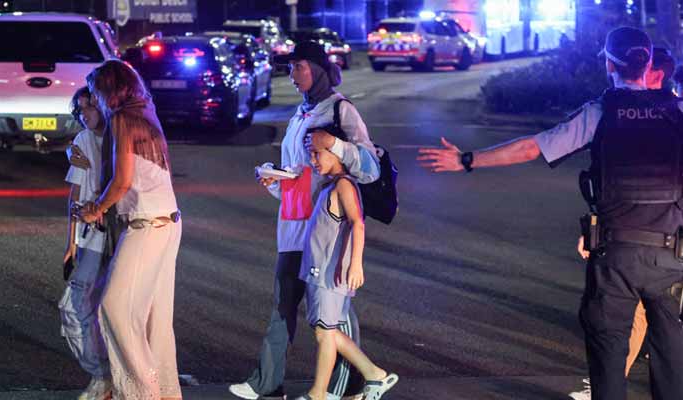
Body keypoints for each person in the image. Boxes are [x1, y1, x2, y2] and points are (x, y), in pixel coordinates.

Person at [417, 27, 683, 400]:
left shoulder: (600, 113)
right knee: (671, 356)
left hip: (615, 257)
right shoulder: (677, 113)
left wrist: (467, 160)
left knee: (608, 355)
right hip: (670, 256)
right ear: (650, 63)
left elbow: (532, 148)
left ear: (609, 64)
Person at [229, 41, 380, 400]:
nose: (291, 74)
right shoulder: (300, 114)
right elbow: (298, 175)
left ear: (317, 68)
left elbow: (370, 167)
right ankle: (267, 384)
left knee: (332, 313)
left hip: (325, 229)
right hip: (292, 225)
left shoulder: (341, 110)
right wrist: (273, 182)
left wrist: (336, 145)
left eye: (297, 66)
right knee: (285, 304)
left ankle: (351, 385)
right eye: (289, 67)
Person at [567, 45, 677, 400]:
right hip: (658, 251)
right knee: (657, 340)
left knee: (624, 333)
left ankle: (608, 383)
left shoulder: (651, 115)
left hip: (640, 251)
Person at [81, 60, 183, 400]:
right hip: (165, 222)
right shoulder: (144, 114)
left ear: (110, 89)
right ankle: (164, 392)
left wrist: (96, 208)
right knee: (154, 320)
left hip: (148, 225)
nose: (93, 100)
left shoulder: (124, 119)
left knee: (115, 308)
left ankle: (141, 393)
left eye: (96, 92)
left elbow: (122, 181)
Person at [294, 127, 398, 400]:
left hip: (330, 273)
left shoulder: (343, 185)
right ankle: (374, 374)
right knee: (325, 331)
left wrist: (355, 265)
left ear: (335, 152)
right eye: (311, 155)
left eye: (317, 154)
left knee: (324, 333)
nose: (313, 160)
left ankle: (319, 394)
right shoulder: (331, 184)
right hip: (323, 271)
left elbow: (357, 224)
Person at [59, 86, 111, 400]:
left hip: (123, 234)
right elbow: (75, 195)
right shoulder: (82, 140)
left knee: (104, 307)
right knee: (75, 304)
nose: (84, 114)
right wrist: (71, 244)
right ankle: (101, 374)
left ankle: (108, 376)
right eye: (79, 110)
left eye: (89, 107)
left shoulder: (121, 137)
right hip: (92, 238)